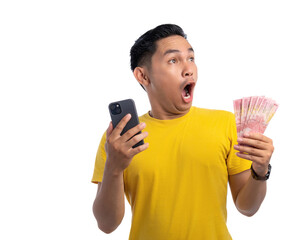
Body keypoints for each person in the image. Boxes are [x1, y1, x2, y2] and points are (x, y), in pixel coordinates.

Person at [91, 24, 275, 240]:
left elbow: (247, 208)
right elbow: (107, 224)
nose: (188, 69)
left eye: (191, 58)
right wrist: (113, 166)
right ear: (143, 76)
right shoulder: (119, 140)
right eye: (173, 60)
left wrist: (260, 171)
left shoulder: (225, 123)